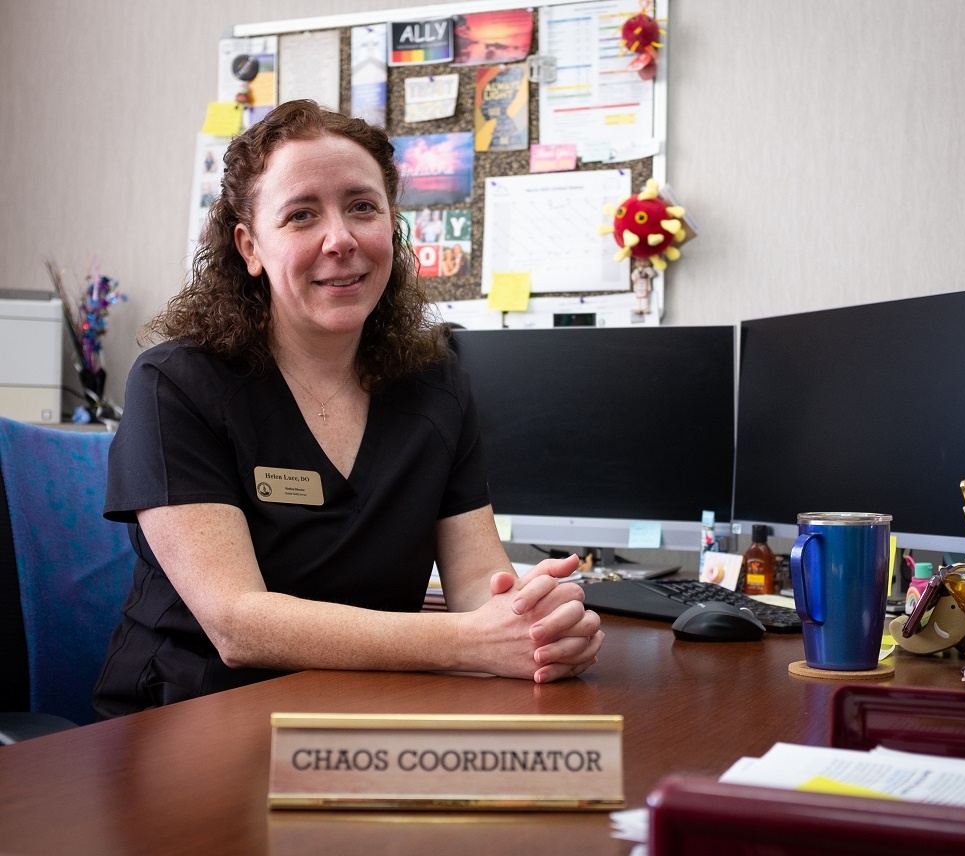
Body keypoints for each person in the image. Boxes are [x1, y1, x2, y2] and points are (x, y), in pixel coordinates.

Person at [92, 100, 602, 718]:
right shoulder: (176, 383)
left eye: (362, 207)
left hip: (370, 708)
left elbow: (477, 584)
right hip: (196, 715)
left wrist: (538, 624)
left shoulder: (435, 383)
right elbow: (237, 623)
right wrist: (472, 641)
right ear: (251, 247)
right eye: (301, 215)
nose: (341, 239)